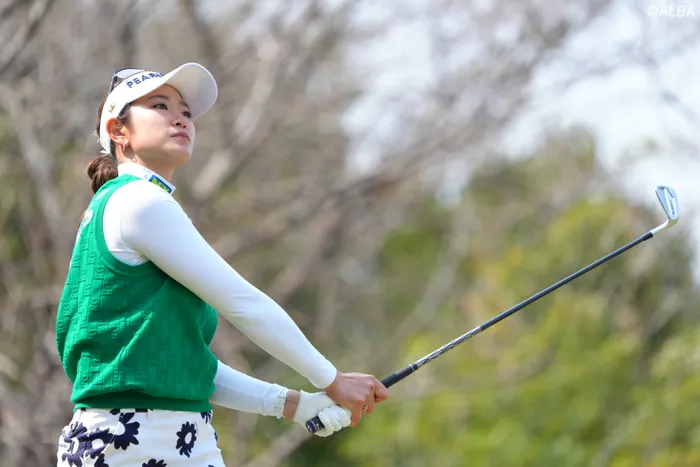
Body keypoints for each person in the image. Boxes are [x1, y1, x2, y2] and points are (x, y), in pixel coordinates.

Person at [55, 63, 390, 466]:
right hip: (135, 441)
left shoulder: (121, 203)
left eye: (186, 112)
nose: (180, 118)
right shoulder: (138, 202)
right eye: (160, 106)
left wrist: (294, 404)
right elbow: (243, 303)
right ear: (118, 131)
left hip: (160, 437)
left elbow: (186, 365)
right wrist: (333, 380)